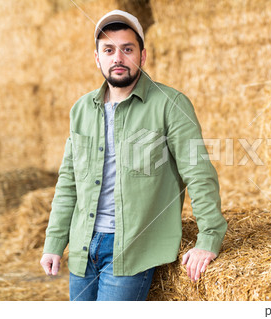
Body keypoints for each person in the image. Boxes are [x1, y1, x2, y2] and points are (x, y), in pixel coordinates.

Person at [40, 10, 227, 301]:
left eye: (127, 49)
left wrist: (209, 239)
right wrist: (54, 242)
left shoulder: (170, 104)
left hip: (131, 249)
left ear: (142, 56)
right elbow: (68, 182)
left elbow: (199, 174)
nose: (118, 58)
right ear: (97, 58)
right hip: (81, 247)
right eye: (109, 50)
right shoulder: (81, 110)